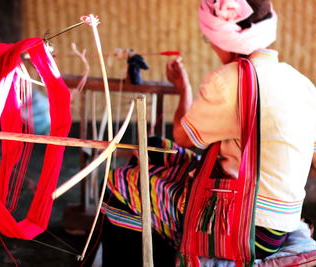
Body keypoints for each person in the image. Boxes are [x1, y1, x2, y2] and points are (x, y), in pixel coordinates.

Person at [101, 0, 316, 264]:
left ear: (223, 38)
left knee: (122, 182)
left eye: (208, 38)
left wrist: (184, 90)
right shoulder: (301, 83)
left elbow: (183, 137)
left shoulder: (229, 80)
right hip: (278, 226)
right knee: (157, 147)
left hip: (245, 227)